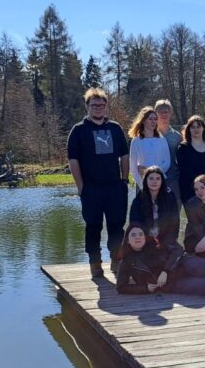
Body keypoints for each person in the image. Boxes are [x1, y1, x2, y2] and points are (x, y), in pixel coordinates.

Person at [67, 88, 130, 278]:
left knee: (116, 226)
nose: (98, 109)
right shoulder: (79, 130)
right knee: (93, 226)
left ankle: (116, 260)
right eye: (94, 105)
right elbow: (73, 160)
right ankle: (95, 263)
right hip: (91, 189)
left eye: (102, 105)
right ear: (87, 106)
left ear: (106, 107)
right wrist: (81, 187)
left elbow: (125, 155)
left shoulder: (115, 128)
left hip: (115, 188)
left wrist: (124, 180)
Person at [177, 116, 205, 205]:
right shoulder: (182, 148)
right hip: (191, 192)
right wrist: (200, 187)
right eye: (193, 127)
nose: (196, 129)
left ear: (203, 128)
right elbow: (185, 171)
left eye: (198, 127)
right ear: (188, 130)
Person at [128, 165, 180, 243]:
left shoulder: (170, 197)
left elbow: (174, 223)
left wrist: (167, 243)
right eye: (151, 178)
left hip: (165, 240)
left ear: (162, 181)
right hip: (145, 240)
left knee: (178, 252)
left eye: (158, 179)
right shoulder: (139, 199)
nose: (154, 181)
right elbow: (134, 224)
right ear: (146, 180)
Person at [128, 106, 171, 192]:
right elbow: (133, 168)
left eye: (155, 119)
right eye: (150, 119)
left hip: (160, 183)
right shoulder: (136, 141)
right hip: (143, 184)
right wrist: (142, 187)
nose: (153, 122)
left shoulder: (162, 139)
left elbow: (167, 162)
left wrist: (150, 171)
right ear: (143, 120)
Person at [155, 99, 182, 199]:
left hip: (172, 179)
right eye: (161, 111)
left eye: (166, 111)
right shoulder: (149, 134)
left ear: (170, 113)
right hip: (154, 178)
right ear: (156, 113)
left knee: (173, 211)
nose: (164, 114)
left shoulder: (177, 136)